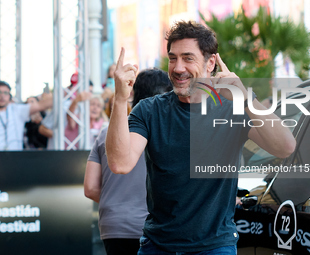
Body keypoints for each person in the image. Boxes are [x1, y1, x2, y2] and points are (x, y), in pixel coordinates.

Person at [106, 21, 296, 254]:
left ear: (211, 63)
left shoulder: (233, 107)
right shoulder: (149, 110)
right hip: (158, 246)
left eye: (188, 58)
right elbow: (120, 163)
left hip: (215, 246)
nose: (177, 68)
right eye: (173, 58)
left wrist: (244, 97)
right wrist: (119, 99)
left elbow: (285, 146)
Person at [84, 68, 172, 255]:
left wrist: (118, 204)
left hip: (114, 225)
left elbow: (90, 188)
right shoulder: (166, 131)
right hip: (155, 226)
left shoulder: (106, 133)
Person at [0, 81, 53, 151]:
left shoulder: (17, 110)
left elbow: (40, 105)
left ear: (10, 96)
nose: (2, 96)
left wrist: (53, 96)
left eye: (5, 93)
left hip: (14, 157)